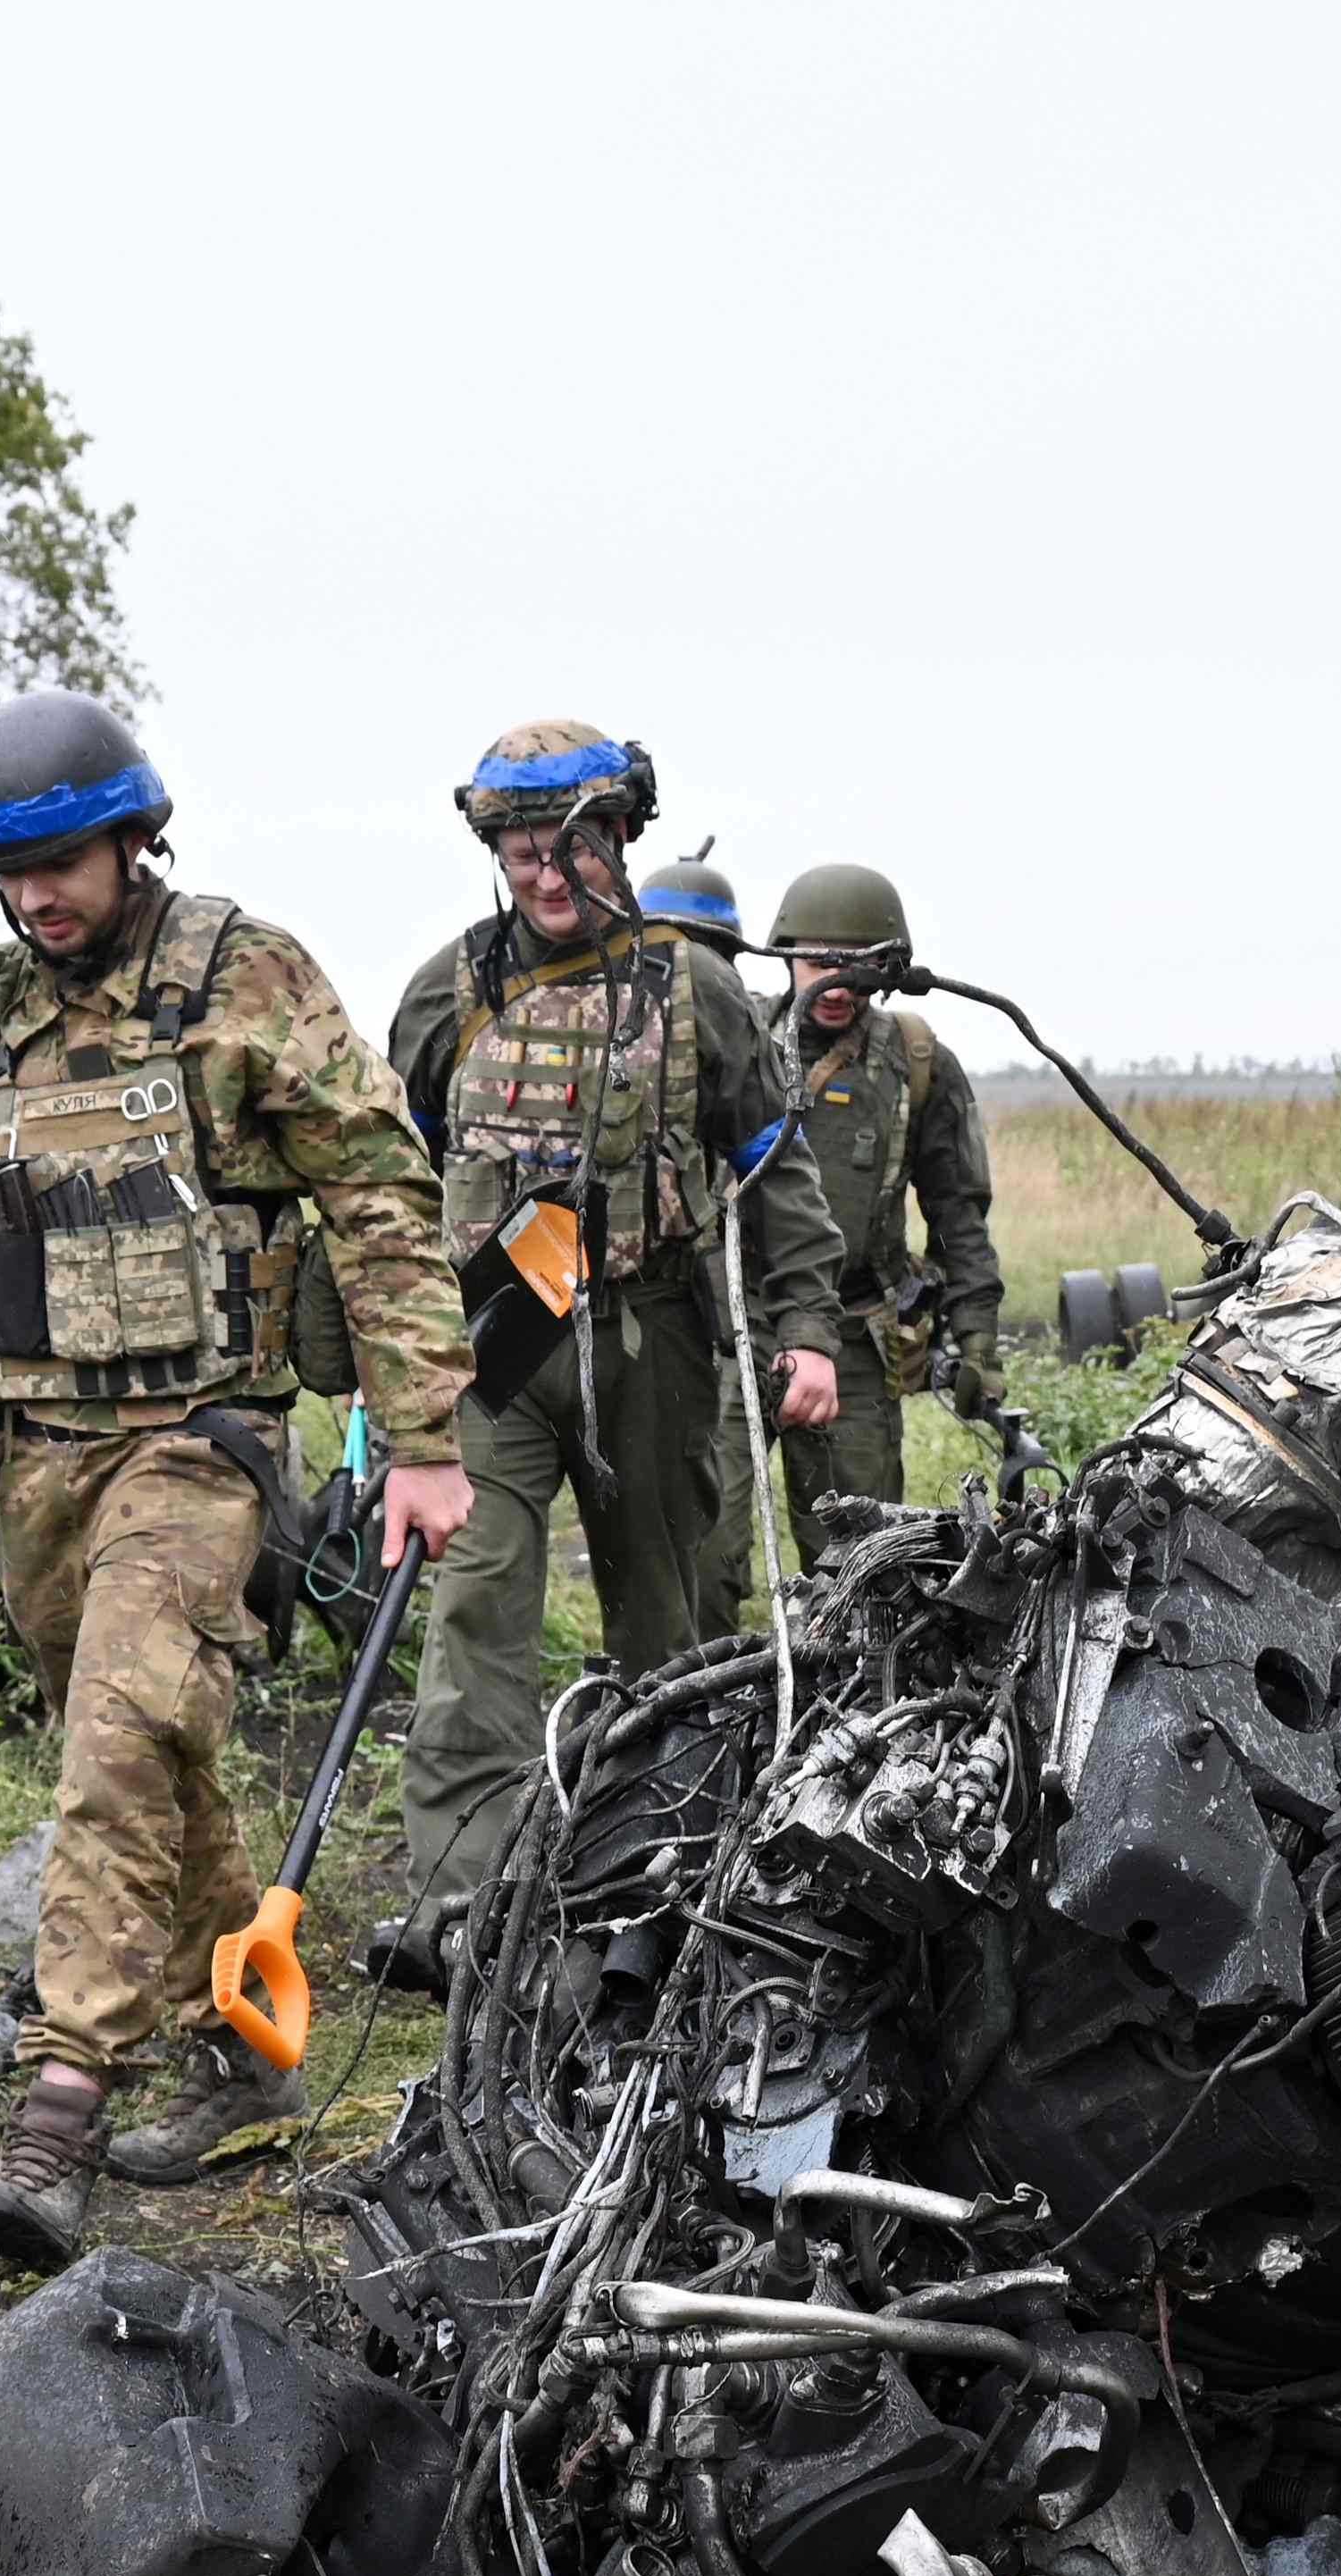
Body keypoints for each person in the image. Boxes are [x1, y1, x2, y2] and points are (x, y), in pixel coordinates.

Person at [0, 692, 478, 2272]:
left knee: (123, 1729)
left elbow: (376, 1189)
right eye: (6, 874)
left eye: (60, 861)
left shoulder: (242, 974)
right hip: (37, 1452)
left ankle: (59, 2101)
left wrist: (422, 1437)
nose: (38, 897)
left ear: (131, 834)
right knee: (156, 1755)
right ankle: (253, 2047)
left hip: (199, 1439)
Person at [378, 723, 839, 1959]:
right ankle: (464, 1910)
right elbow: (381, 1181)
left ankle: (668, 1882)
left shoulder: (698, 994)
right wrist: (384, 1373)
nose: (550, 871)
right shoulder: (445, 993)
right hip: (499, 1344)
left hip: (652, 1338)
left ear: (622, 838)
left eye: (577, 842)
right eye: (526, 846)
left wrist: (806, 1329)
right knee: (478, 1611)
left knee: (670, 1620)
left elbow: (771, 1167)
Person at [748, 860, 1002, 1525]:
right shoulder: (738, 1043)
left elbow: (959, 1215)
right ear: (786, 956)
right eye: (817, 961)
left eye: (857, 963)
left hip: (855, 1337)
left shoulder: (915, 1063)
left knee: (861, 1556)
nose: (835, 981)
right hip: (733, 1331)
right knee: (703, 1555)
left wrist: (977, 1340)